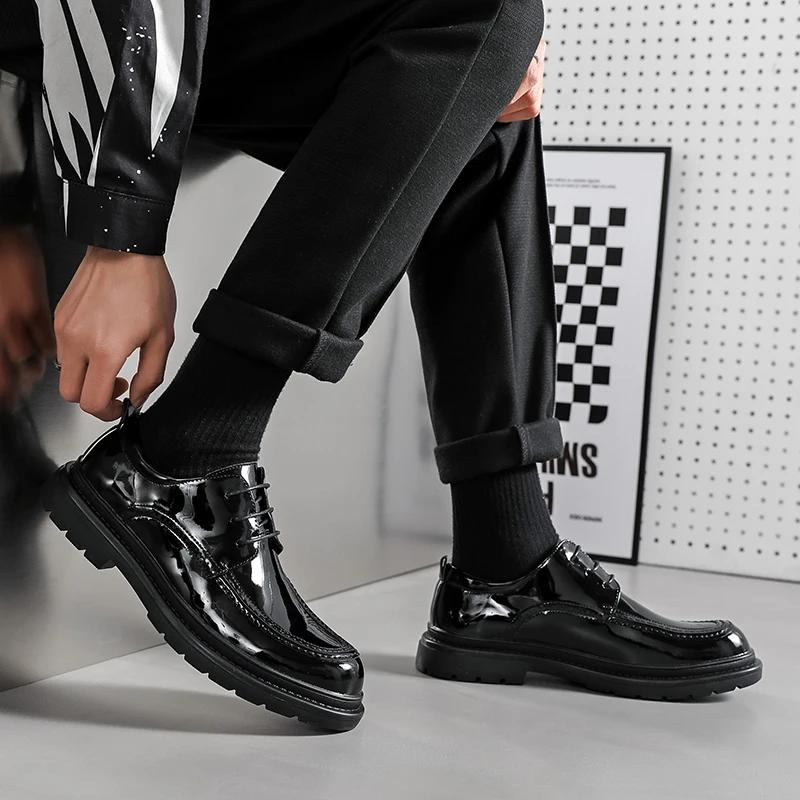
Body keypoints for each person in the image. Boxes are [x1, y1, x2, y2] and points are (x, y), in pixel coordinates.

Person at [0, 1, 761, 732]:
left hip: (192, 29)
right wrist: (116, 228)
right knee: (478, 16)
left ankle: (506, 557)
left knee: (487, 68)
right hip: (81, 27)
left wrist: (500, 54)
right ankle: (190, 446)